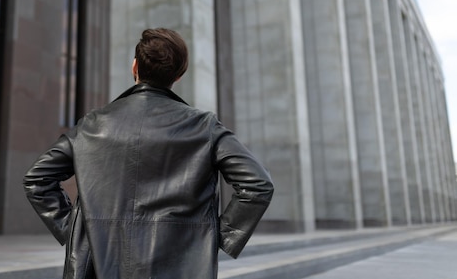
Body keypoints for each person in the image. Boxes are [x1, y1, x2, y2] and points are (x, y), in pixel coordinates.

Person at [23, 28, 274, 279]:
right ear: (179, 75)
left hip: (99, 267)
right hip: (181, 267)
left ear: (135, 67)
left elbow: (37, 179)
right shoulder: (204, 126)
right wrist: (216, 235)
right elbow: (257, 185)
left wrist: (77, 230)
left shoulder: (92, 124)